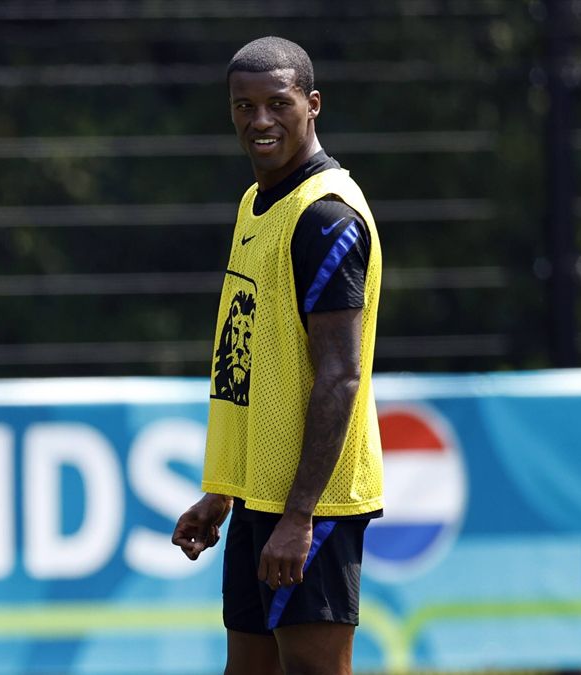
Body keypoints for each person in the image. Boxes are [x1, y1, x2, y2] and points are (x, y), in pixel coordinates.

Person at [172, 36, 384, 675]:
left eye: (277, 104)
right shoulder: (257, 202)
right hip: (260, 496)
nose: (259, 121)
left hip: (309, 504)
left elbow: (339, 376)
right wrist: (223, 492)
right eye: (243, 106)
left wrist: (300, 517)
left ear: (311, 104)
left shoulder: (324, 216)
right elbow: (252, 362)